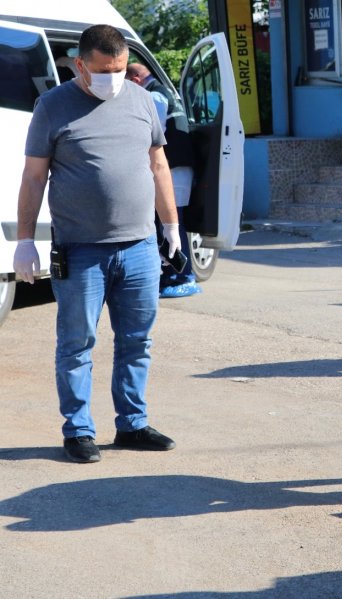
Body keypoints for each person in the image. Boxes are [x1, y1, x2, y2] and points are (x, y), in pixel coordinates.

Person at [13, 25, 179, 463]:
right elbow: (33, 177)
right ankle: (79, 430)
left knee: (136, 341)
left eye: (121, 69)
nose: (113, 78)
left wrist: (171, 225)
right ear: (80, 64)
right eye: (104, 70)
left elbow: (158, 165)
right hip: (81, 250)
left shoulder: (143, 100)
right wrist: (25, 240)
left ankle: (133, 425)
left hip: (140, 247)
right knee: (76, 344)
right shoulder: (53, 106)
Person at [126, 62, 201, 298]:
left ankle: (182, 276)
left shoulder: (155, 96)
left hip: (173, 168)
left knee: (171, 222)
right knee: (168, 222)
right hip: (176, 167)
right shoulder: (161, 92)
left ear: (136, 80)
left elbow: (150, 132)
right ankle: (174, 274)